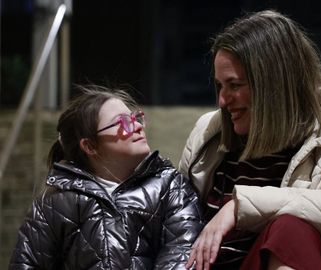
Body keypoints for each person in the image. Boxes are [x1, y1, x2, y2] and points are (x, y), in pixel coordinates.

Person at [179, 10, 321, 270]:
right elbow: (176, 225)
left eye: (235, 85)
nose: (223, 101)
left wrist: (239, 207)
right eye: (219, 86)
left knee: (290, 231)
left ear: (274, 85)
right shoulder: (208, 132)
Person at [9, 85, 203, 269]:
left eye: (135, 118)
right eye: (123, 123)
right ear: (90, 146)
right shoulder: (54, 202)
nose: (137, 126)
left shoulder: (170, 187)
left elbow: (183, 252)